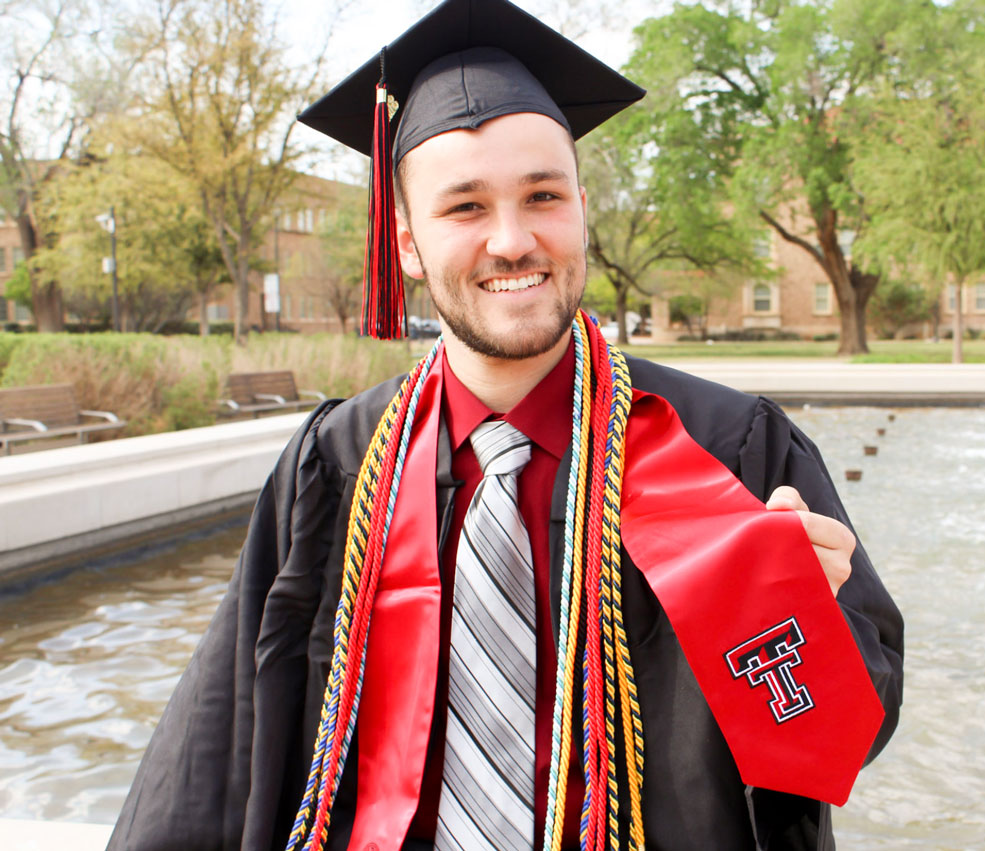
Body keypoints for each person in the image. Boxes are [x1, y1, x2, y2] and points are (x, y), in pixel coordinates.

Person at [107, 1, 903, 849]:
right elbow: (221, 749)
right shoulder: (335, 464)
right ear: (407, 242)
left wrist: (804, 629)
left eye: (543, 196)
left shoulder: (728, 449)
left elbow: (845, 739)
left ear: (582, 209)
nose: (514, 239)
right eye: (466, 209)